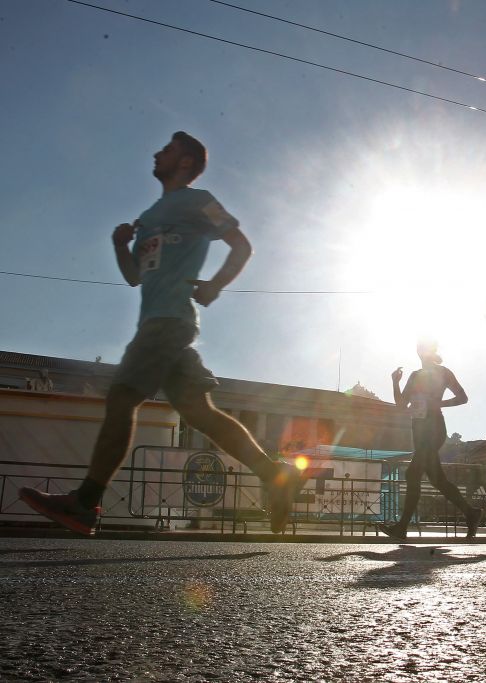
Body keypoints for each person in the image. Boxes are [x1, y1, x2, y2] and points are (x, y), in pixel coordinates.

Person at [19, 132, 304, 535]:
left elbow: (241, 245)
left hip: (167, 322)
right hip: (165, 324)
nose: (156, 152)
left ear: (186, 162)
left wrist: (215, 285)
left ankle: (85, 501)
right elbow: (134, 276)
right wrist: (121, 245)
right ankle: (275, 473)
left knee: (122, 397)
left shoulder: (197, 200)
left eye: (167, 149)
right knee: (200, 413)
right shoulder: (152, 214)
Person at [379, 339, 482, 539]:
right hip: (418, 431)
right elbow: (401, 405)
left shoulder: (443, 372)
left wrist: (439, 403)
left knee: (412, 474)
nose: (420, 351)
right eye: (418, 348)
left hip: (434, 429)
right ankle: (471, 513)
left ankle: (401, 528)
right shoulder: (415, 376)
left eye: (424, 348)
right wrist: (395, 383)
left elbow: (463, 397)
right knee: (438, 480)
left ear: (432, 351)